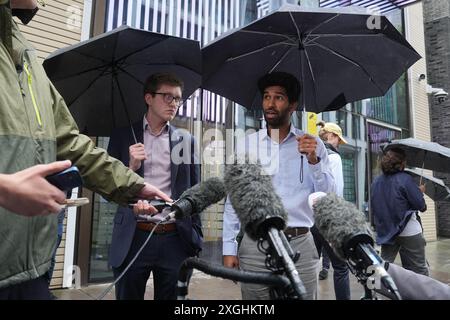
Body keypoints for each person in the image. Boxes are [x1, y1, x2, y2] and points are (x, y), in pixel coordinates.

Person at [0, 0, 170, 300]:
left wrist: (132, 184)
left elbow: (70, 142)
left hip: (31, 273)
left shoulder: (23, 53)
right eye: (166, 96)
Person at [222, 71, 335, 300]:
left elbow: (329, 196)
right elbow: (234, 199)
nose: (270, 104)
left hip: (301, 243)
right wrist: (228, 247)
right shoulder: (247, 146)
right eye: (266, 96)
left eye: (279, 97)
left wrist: (314, 161)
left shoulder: (314, 145)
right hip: (256, 246)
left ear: (293, 105)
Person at [107, 72, 202, 300]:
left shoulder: (186, 141)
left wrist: (195, 237)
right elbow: (107, 193)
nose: (174, 104)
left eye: (178, 98)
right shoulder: (122, 137)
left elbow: (195, 193)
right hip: (133, 236)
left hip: (174, 238)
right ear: (148, 98)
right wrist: (130, 167)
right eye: (167, 97)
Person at [371, 148, 429, 275]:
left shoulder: (376, 182)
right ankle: (422, 294)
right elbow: (421, 206)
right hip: (408, 230)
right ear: (401, 163)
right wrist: (419, 192)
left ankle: (376, 292)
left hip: (387, 232)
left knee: (383, 268)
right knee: (419, 269)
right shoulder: (405, 179)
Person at [311, 121, 351, 300]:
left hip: (310, 219)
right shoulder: (334, 157)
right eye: (338, 140)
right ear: (332, 136)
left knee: (310, 267)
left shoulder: (311, 155)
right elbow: (336, 191)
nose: (338, 145)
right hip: (328, 220)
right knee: (341, 268)